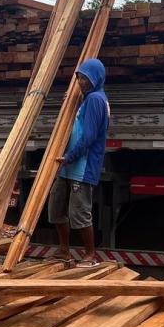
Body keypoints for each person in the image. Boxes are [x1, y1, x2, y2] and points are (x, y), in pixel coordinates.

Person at [49, 58, 110, 266]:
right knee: (56, 208)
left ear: (96, 79)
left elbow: (89, 136)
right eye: (80, 77)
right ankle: (64, 250)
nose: (81, 82)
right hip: (68, 165)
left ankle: (90, 254)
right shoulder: (86, 99)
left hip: (81, 167)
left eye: (86, 78)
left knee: (80, 212)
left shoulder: (96, 100)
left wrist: (70, 157)